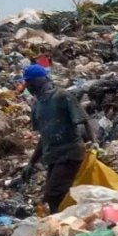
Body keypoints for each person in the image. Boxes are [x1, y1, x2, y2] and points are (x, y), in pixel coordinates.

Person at [20, 64, 98, 214]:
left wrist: (94, 142)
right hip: (53, 158)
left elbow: (84, 120)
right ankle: (65, 222)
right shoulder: (37, 105)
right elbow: (44, 137)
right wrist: (31, 162)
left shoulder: (62, 97)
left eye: (29, 82)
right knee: (55, 196)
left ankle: (65, 223)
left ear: (38, 81)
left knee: (53, 194)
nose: (27, 87)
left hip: (70, 153)